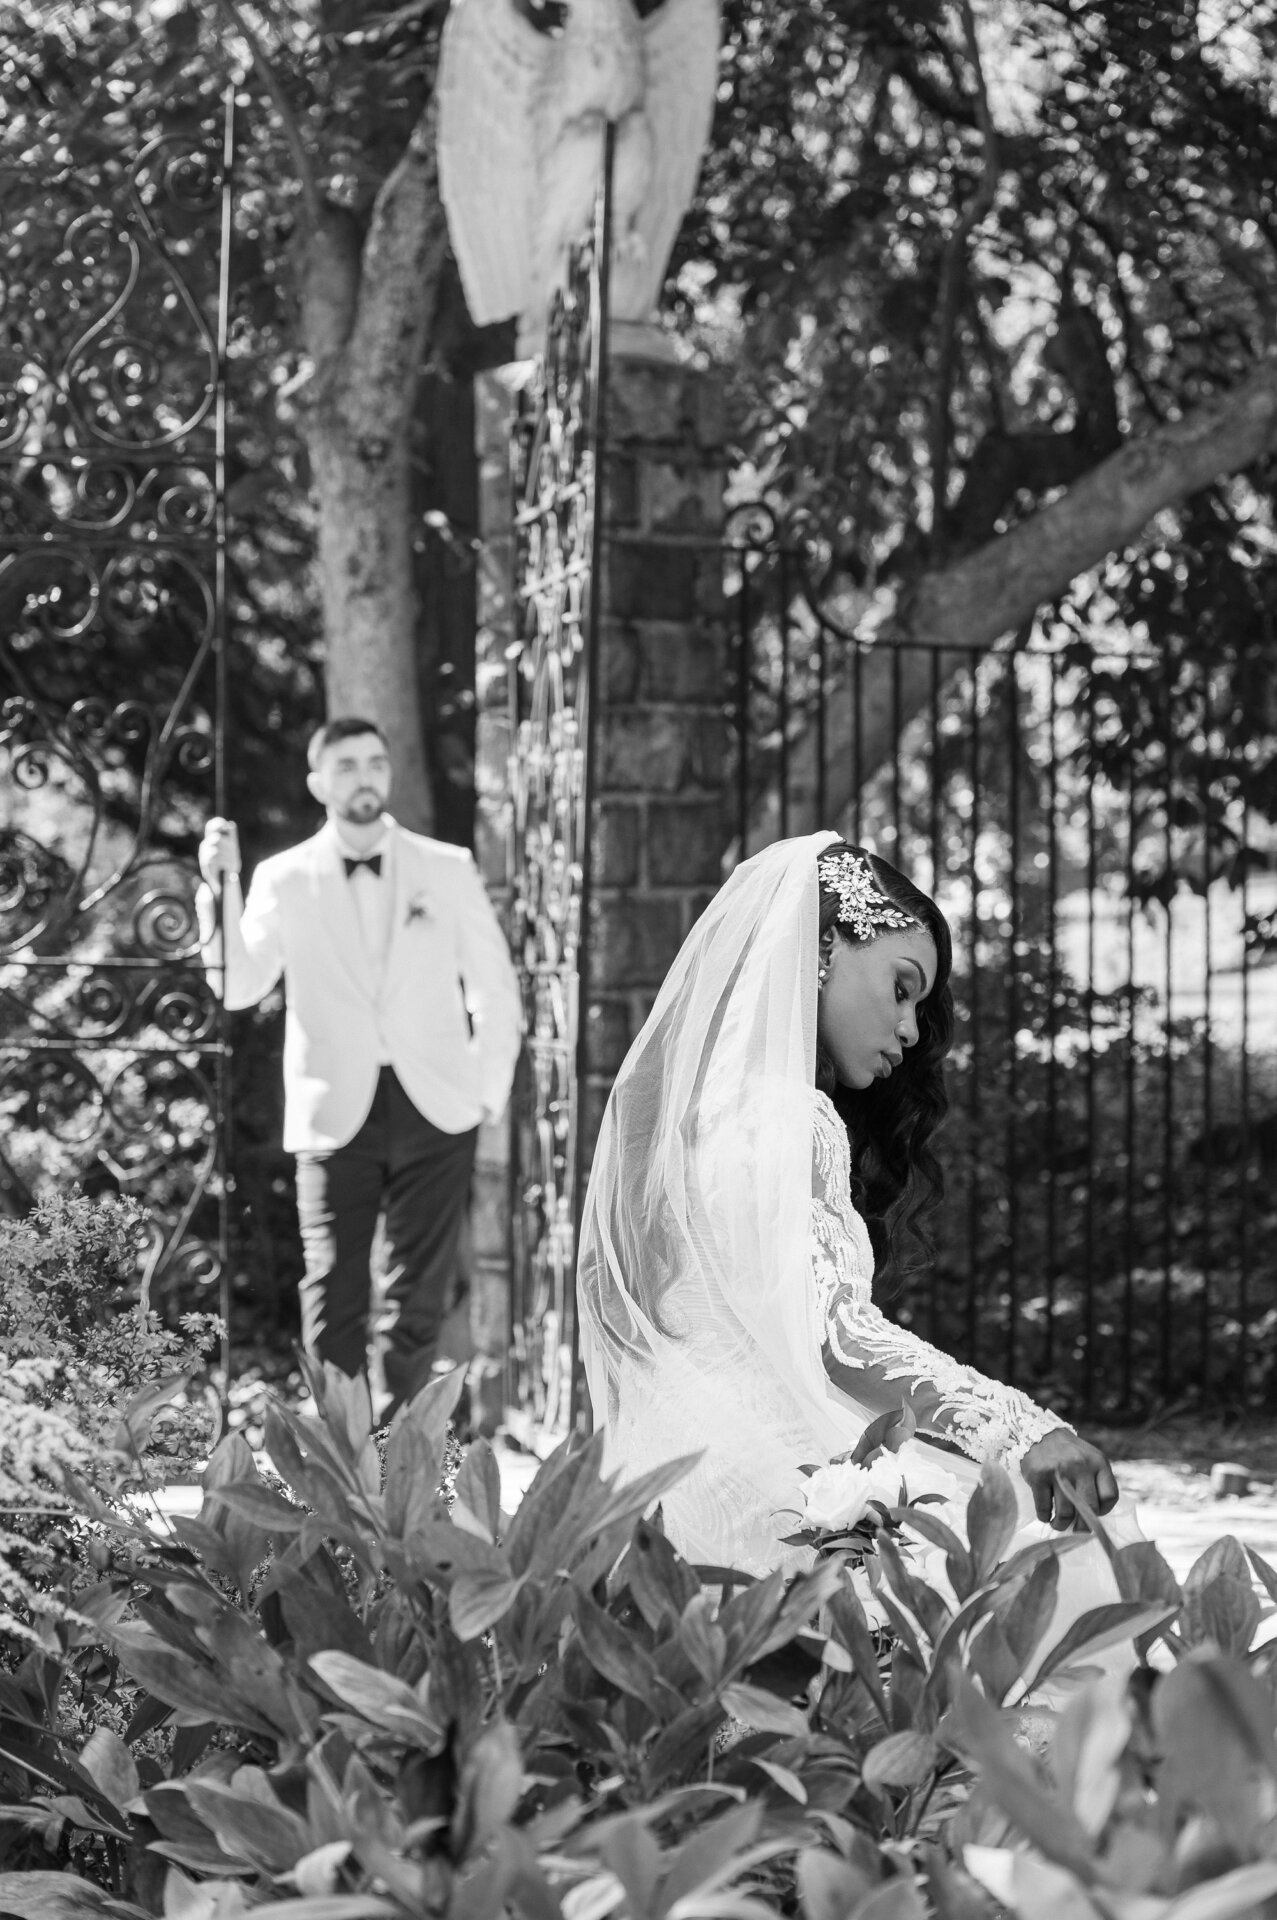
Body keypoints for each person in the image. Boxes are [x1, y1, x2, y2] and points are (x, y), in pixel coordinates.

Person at [577, 831, 1140, 1632]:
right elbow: (836, 1337)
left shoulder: (696, 1117)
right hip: (775, 1488)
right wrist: (1023, 1430)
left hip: (674, 1486)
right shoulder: (791, 1115)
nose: (911, 1030)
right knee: (1069, 1562)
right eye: (902, 988)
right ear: (821, 949)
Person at [198, 716, 522, 1415]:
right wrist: (217, 886)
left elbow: (494, 986)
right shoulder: (282, 878)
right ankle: (338, 1451)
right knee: (332, 1284)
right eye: (345, 765)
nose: (364, 775)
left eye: (375, 762)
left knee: (418, 1290)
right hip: (331, 1105)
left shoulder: (445, 867)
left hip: (436, 1103)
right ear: (319, 783)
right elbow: (238, 983)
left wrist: (484, 1090)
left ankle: (400, 1447)